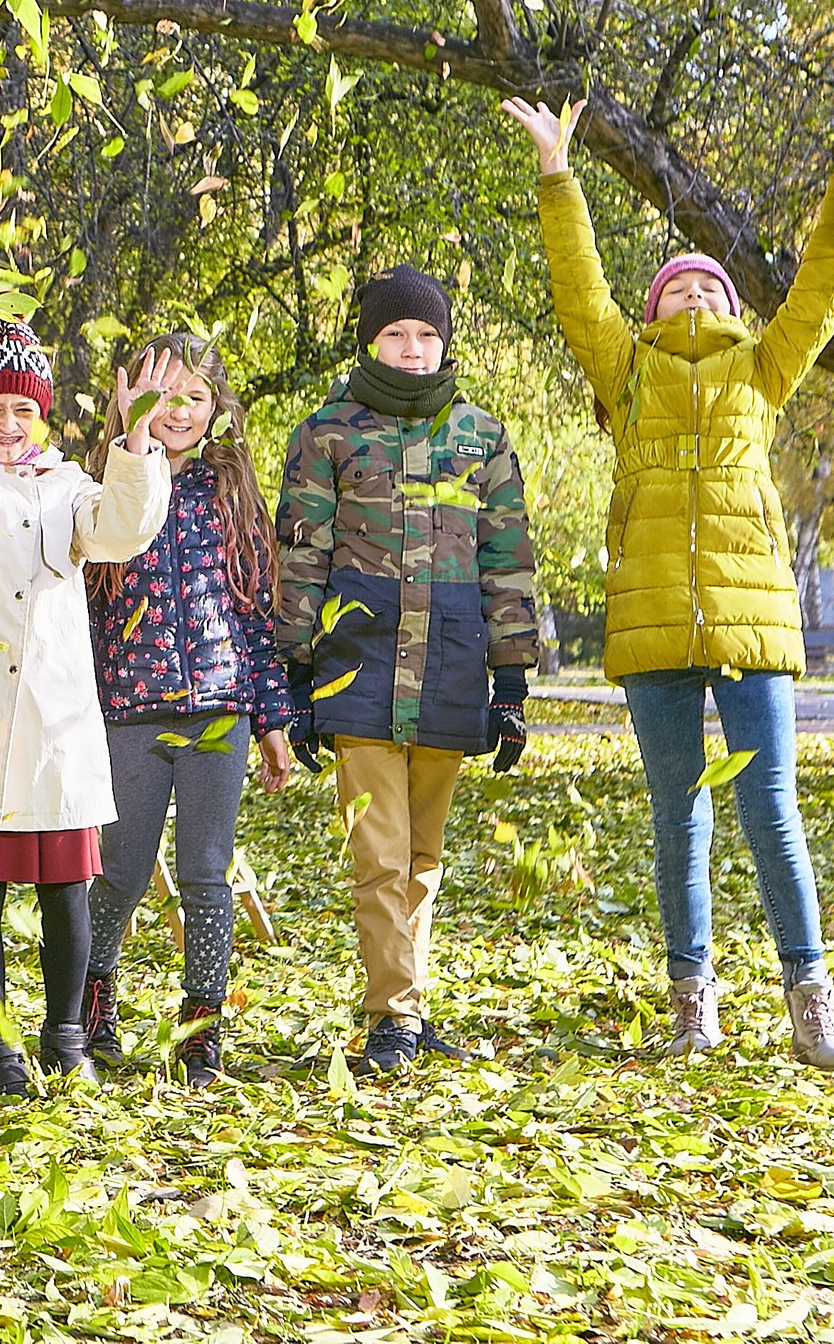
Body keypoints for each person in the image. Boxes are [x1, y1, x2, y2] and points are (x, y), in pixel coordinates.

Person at [500, 78, 834, 1069]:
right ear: (650, 305)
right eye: (675, 283)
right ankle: (693, 1007)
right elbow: (575, 283)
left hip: (751, 618)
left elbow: (819, 291)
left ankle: (811, 1005)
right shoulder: (622, 368)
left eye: (707, 284)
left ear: (727, 303)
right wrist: (557, 170)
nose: (692, 291)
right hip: (653, 621)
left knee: (769, 811)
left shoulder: (762, 366)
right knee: (679, 816)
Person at [0, 320, 174, 1098]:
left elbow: (120, 529)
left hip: (53, 721)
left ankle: (65, 1031)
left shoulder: (69, 483)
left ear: (43, 417)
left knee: (65, 889)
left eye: (23, 410)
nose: (9, 426)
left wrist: (138, 443)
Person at [273, 267, 541, 1076]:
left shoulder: (481, 437)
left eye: (426, 335)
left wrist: (513, 682)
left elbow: (509, 560)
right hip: (356, 669)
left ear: (444, 341)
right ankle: (392, 1014)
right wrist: (295, 675)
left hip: (452, 665)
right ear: (370, 339)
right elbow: (302, 558)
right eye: (396, 334)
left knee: (424, 856)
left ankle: (406, 1007)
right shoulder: (327, 433)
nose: (413, 349)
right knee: (379, 856)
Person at [81, 334, 294, 1084]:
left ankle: (200, 1027)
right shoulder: (100, 490)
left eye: (193, 397)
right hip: (130, 712)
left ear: (217, 411)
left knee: (207, 874)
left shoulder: (228, 495)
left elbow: (255, 613)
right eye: (160, 394)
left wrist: (272, 721)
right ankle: (91, 999)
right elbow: (84, 615)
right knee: (120, 872)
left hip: (219, 710)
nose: (176, 410)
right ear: (128, 398)